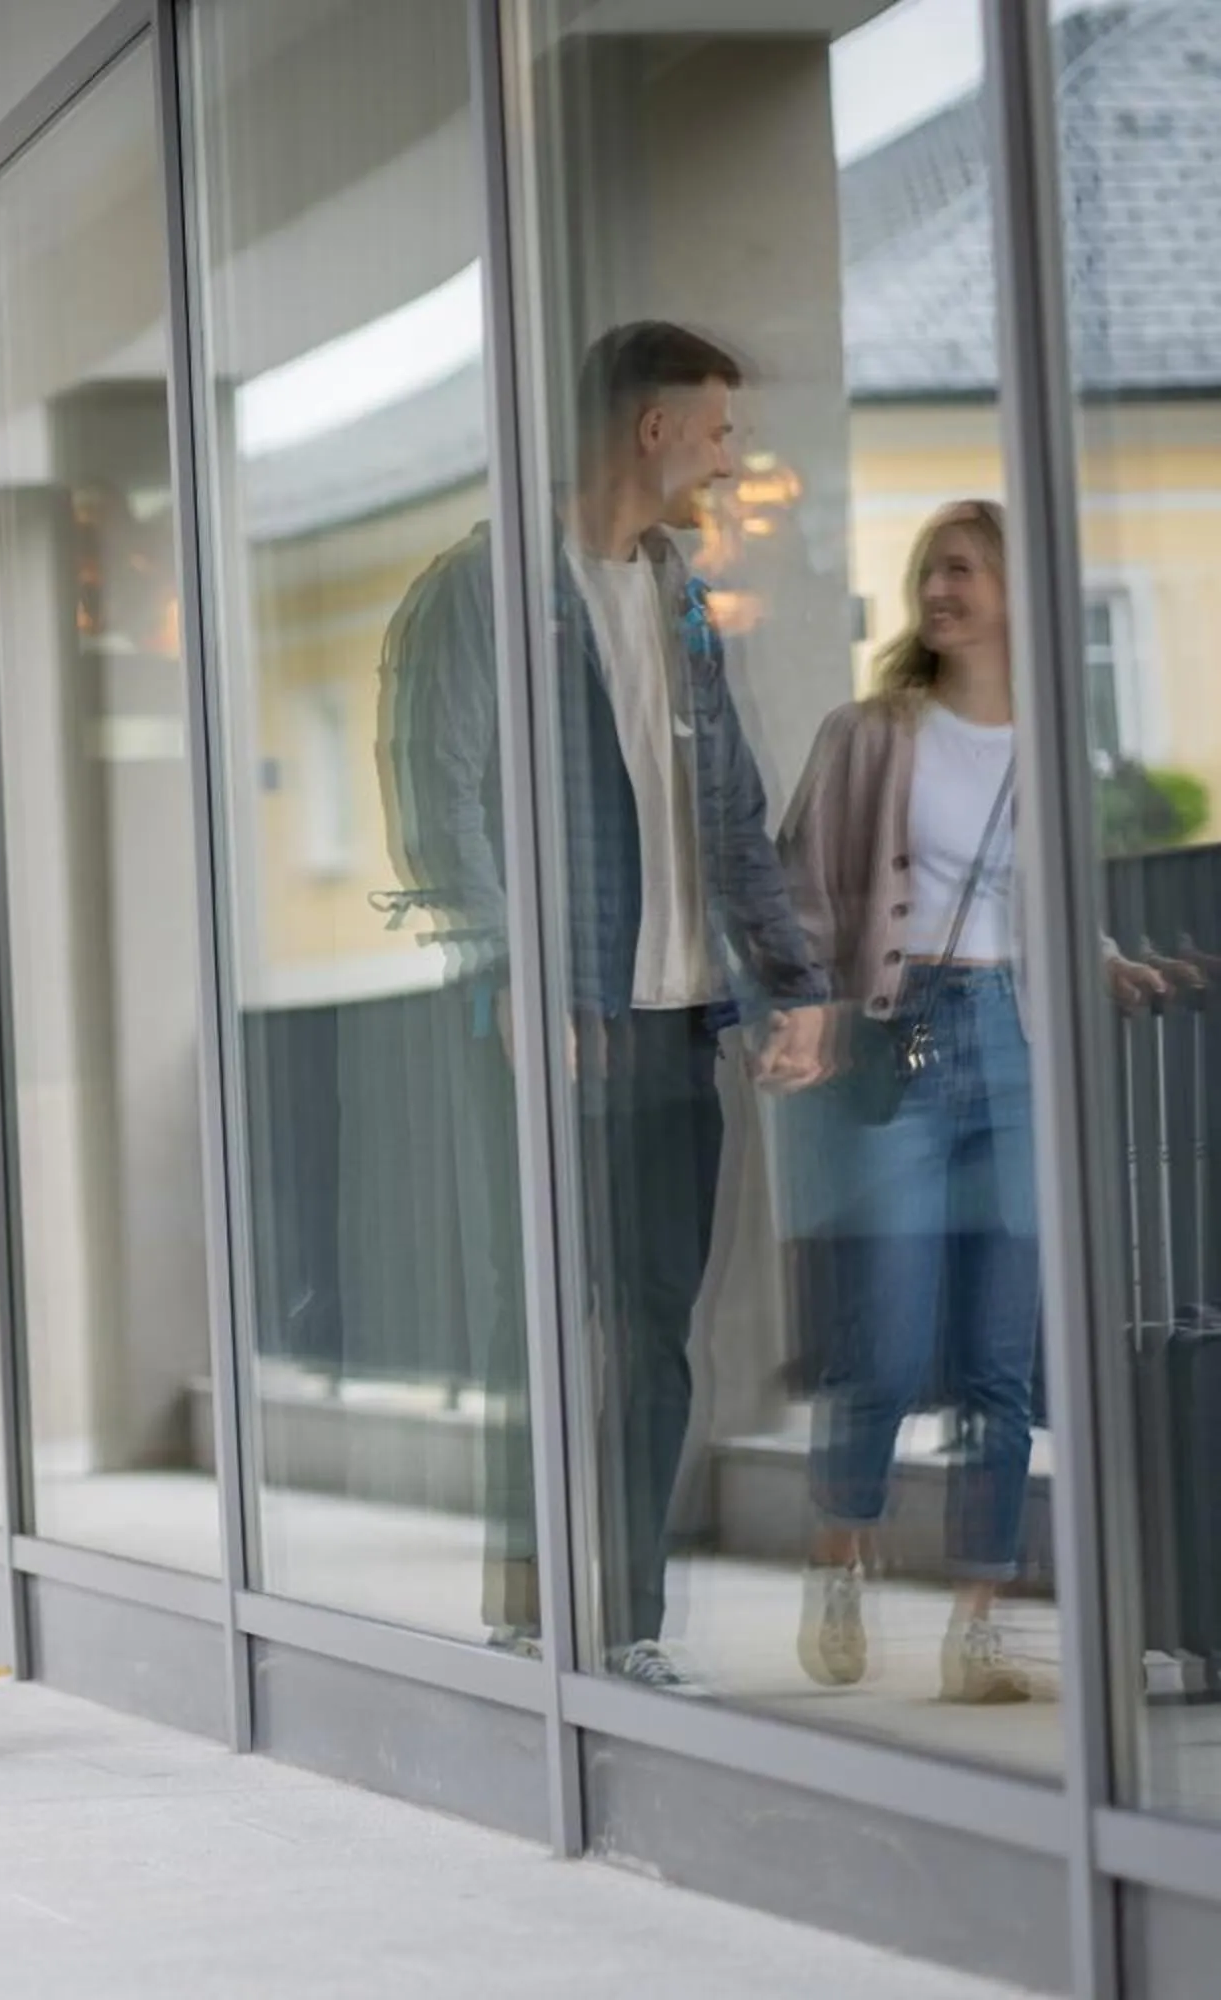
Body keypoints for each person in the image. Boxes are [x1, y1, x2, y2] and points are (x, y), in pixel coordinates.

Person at [384, 321, 831, 1690]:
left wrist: (791, 982)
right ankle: (534, 1603)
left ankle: (624, 1619)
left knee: (653, 1336)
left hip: (676, 1020)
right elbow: (442, 797)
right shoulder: (495, 590)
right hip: (556, 1022)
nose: (729, 454)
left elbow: (731, 811)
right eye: (716, 428)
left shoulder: (679, 593)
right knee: (546, 1319)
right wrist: (520, 967)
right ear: (652, 430)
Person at [780, 501, 1161, 1704]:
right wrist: (802, 1011)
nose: (937, 587)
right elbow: (802, 889)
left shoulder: (1052, 744)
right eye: (929, 569)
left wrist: (1099, 958)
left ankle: (978, 1624)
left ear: (1013, 593)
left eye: (962, 568)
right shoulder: (869, 733)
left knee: (1004, 1360)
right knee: (884, 1347)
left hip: (1020, 1042)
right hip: (907, 1043)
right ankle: (840, 1553)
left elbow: (1038, 888)